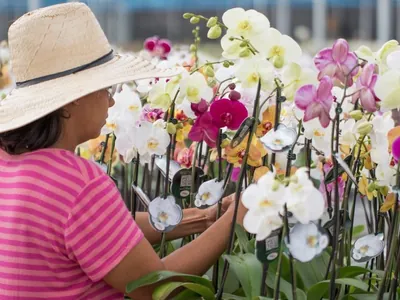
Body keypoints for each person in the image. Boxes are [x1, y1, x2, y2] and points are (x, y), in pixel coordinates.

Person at [0, 3, 248, 300]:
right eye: (108, 90)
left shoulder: (8, 162)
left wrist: (204, 218)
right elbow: (154, 288)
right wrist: (234, 223)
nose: (112, 103)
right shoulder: (78, 184)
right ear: (74, 99)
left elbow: (103, 231)